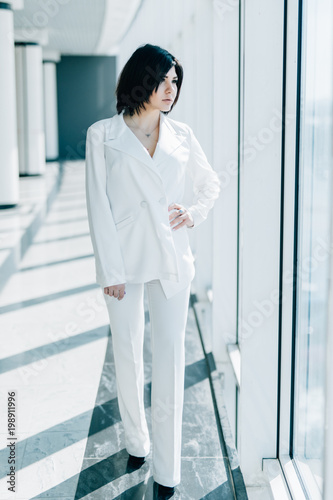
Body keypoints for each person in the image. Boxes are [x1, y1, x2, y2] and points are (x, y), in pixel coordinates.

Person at [85, 43, 221, 496]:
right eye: (163, 80)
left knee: (169, 361)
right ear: (140, 80)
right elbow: (98, 208)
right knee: (127, 351)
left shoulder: (182, 134)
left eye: (175, 81)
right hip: (123, 262)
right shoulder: (102, 135)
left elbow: (210, 184)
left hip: (170, 260)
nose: (171, 89)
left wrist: (193, 213)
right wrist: (111, 271)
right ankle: (137, 441)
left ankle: (168, 471)